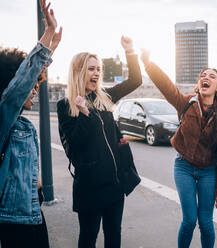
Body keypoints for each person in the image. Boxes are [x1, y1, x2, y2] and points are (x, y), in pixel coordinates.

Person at [141, 51, 217, 248]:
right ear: (198, 84)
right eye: (202, 75)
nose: (205, 78)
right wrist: (147, 63)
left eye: (211, 76)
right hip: (183, 167)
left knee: (206, 223)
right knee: (190, 220)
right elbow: (166, 86)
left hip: (208, 171)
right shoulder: (187, 104)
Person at [57, 36, 142, 248]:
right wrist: (84, 115)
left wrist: (130, 52)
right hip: (89, 187)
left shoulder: (104, 97)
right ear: (78, 72)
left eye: (98, 69)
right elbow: (73, 147)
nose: (96, 73)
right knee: (88, 237)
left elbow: (135, 81)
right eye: (91, 69)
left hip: (114, 184)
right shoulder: (65, 105)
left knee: (114, 236)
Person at [0, 1, 62, 247]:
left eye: (39, 83)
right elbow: (20, 83)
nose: (35, 88)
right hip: (13, 221)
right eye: (32, 84)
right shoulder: (4, 119)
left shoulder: (24, 126)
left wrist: (52, 48)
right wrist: (47, 36)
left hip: (33, 211)